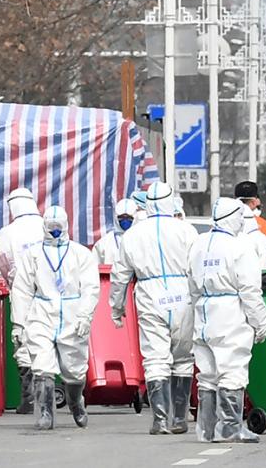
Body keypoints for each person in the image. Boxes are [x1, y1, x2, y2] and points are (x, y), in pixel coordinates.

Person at [111, 181, 198, 435]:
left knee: (155, 357)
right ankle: (180, 418)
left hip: (150, 294)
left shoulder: (132, 235)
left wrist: (116, 308)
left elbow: (119, 275)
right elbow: (197, 266)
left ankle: (160, 419)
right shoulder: (187, 230)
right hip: (183, 293)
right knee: (183, 357)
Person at [10, 205, 99, 430]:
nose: (55, 230)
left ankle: (75, 402)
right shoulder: (33, 254)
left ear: (67, 225)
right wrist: (19, 324)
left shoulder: (80, 254)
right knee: (42, 364)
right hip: (42, 312)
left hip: (72, 313)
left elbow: (91, 287)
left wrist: (85, 315)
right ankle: (45, 413)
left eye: (58, 227)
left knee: (74, 368)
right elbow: (22, 289)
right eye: (51, 227)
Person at [188, 198, 266, 444]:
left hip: (203, 310)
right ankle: (231, 428)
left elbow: (190, 281)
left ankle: (206, 429)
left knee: (208, 372)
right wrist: (260, 322)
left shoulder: (199, 244)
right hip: (229, 312)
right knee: (232, 369)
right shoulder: (239, 247)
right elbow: (250, 290)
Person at [0, 186, 46, 414]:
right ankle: (50, 391)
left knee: (23, 337)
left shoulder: (8, 232)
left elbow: (2, 261)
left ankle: (29, 397)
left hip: (22, 291)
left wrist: (13, 284)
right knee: (50, 336)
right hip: (50, 290)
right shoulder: (47, 224)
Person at [94, 198, 138, 266]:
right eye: (121, 217)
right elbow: (95, 265)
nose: (125, 220)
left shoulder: (142, 239)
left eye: (129, 218)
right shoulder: (104, 242)